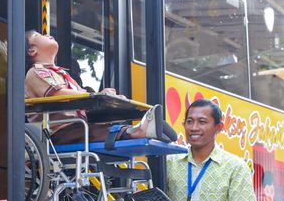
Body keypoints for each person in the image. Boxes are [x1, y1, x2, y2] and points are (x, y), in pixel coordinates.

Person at [24, 30, 175, 145]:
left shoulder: (61, 74)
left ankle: (141, 130)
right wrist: (96, 96)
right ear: (32, 50)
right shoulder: (36, 72)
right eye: (40, 35)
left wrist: (108, 98)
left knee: (97, 127)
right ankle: (139, 131)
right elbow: (59, 93)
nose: (48, 34)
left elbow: (81, 96)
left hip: (76, 128)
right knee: (94, 131)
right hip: (57, 133)